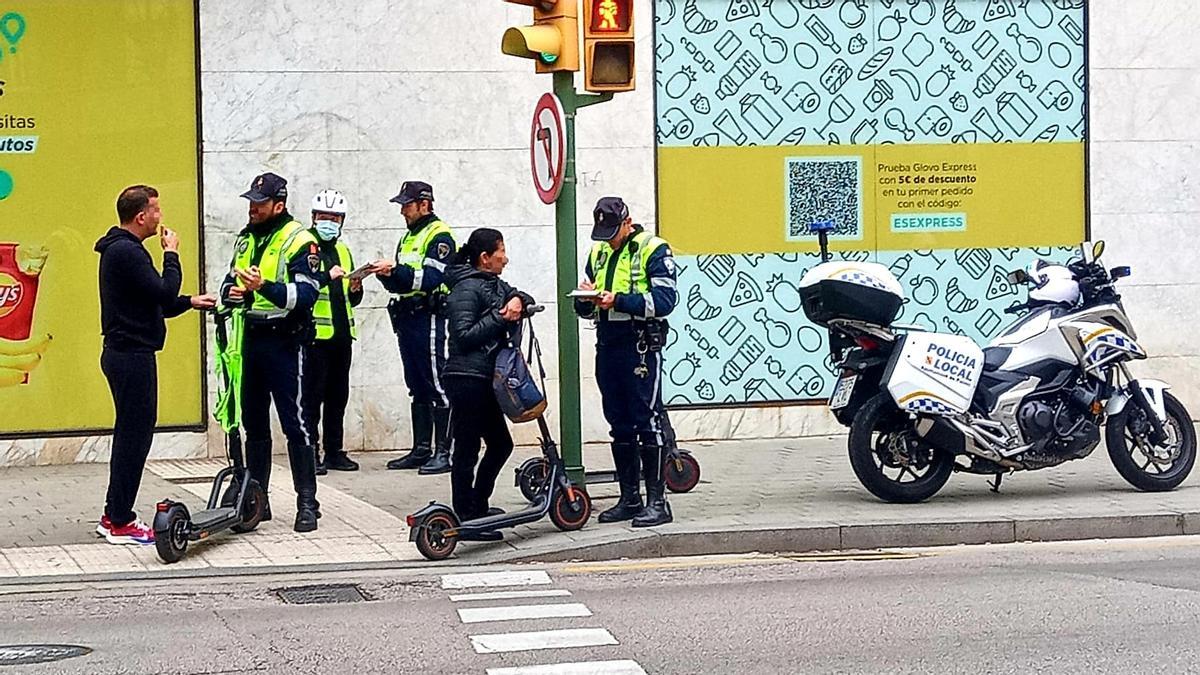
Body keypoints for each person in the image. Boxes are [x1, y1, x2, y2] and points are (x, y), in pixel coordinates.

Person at [95, 185, 216, 545]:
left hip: (127, 353)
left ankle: (113, 513)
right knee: (135, 437)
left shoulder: (122, 251)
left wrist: (191, 301)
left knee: (130, 435)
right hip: (131, 355)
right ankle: (120, 521)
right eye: (156, 210)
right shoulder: (128, 253)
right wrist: (172, 254)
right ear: (140, 216)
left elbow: (156, 303)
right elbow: (163, 291)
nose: (160, 217)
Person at [219, 172, 322, 533]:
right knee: (254, 423)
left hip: (285, 340)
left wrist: (265, 286)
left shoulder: (300, 240)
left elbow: (307, 294)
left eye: (260, 204)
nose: (253, 209)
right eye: (251, 202)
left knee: (296, 423)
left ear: (279, 205)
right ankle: (255, 500)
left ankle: (308, 502)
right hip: (250, 339)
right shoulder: (246, 238)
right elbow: (229, 283)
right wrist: (231, 294)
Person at [575, 196, 679, 528]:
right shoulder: (599, 251)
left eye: (612, 230)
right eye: (602, 231)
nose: (607, 238)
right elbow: (588, 308)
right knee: (618, 422)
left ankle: (658, 502)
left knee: (645, 419)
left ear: (627, 221)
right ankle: (629, 498)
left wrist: (616, 300)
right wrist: (585, 300)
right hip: (608, 341)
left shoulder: (654, 249)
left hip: (640, 343)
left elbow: (665, 300)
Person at [442, 228, 534, 541]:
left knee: (501, 444)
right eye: (501, 251)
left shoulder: (491, 283)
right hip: (467, 378)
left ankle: (478, 505)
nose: (506, 258)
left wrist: (518, 301)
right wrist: (501, 316)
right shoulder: (466, 288)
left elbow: (523, 296)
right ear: (485, 257)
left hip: (485, 377)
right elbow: (463, 335)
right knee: (466, 448)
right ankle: (466, 517)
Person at [371, 181, 456, 475]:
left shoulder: (439, 235)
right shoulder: (408, 237)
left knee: (436, 383)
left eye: (407, 206)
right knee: (416, 385)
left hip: (429, 315)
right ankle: (421, 449)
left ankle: (445, 451)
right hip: (408, 317)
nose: (403, 212)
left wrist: (397, 271)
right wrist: (385, 275)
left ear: (424, 204)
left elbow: (431, 278)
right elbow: (403, 282)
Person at [303, 189, 363, 475]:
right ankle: (310, 451)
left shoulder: (343, 250)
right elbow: (304, 288)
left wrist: (355, 287)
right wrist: (327, 277)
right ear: (314, 218)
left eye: (335, 218)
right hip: (315, 337)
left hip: (341, 336)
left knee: (338, 396)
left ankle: (334, 451)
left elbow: (350, 299)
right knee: (312, 396)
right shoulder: (306, 248)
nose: (329, 222)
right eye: (324, 217)